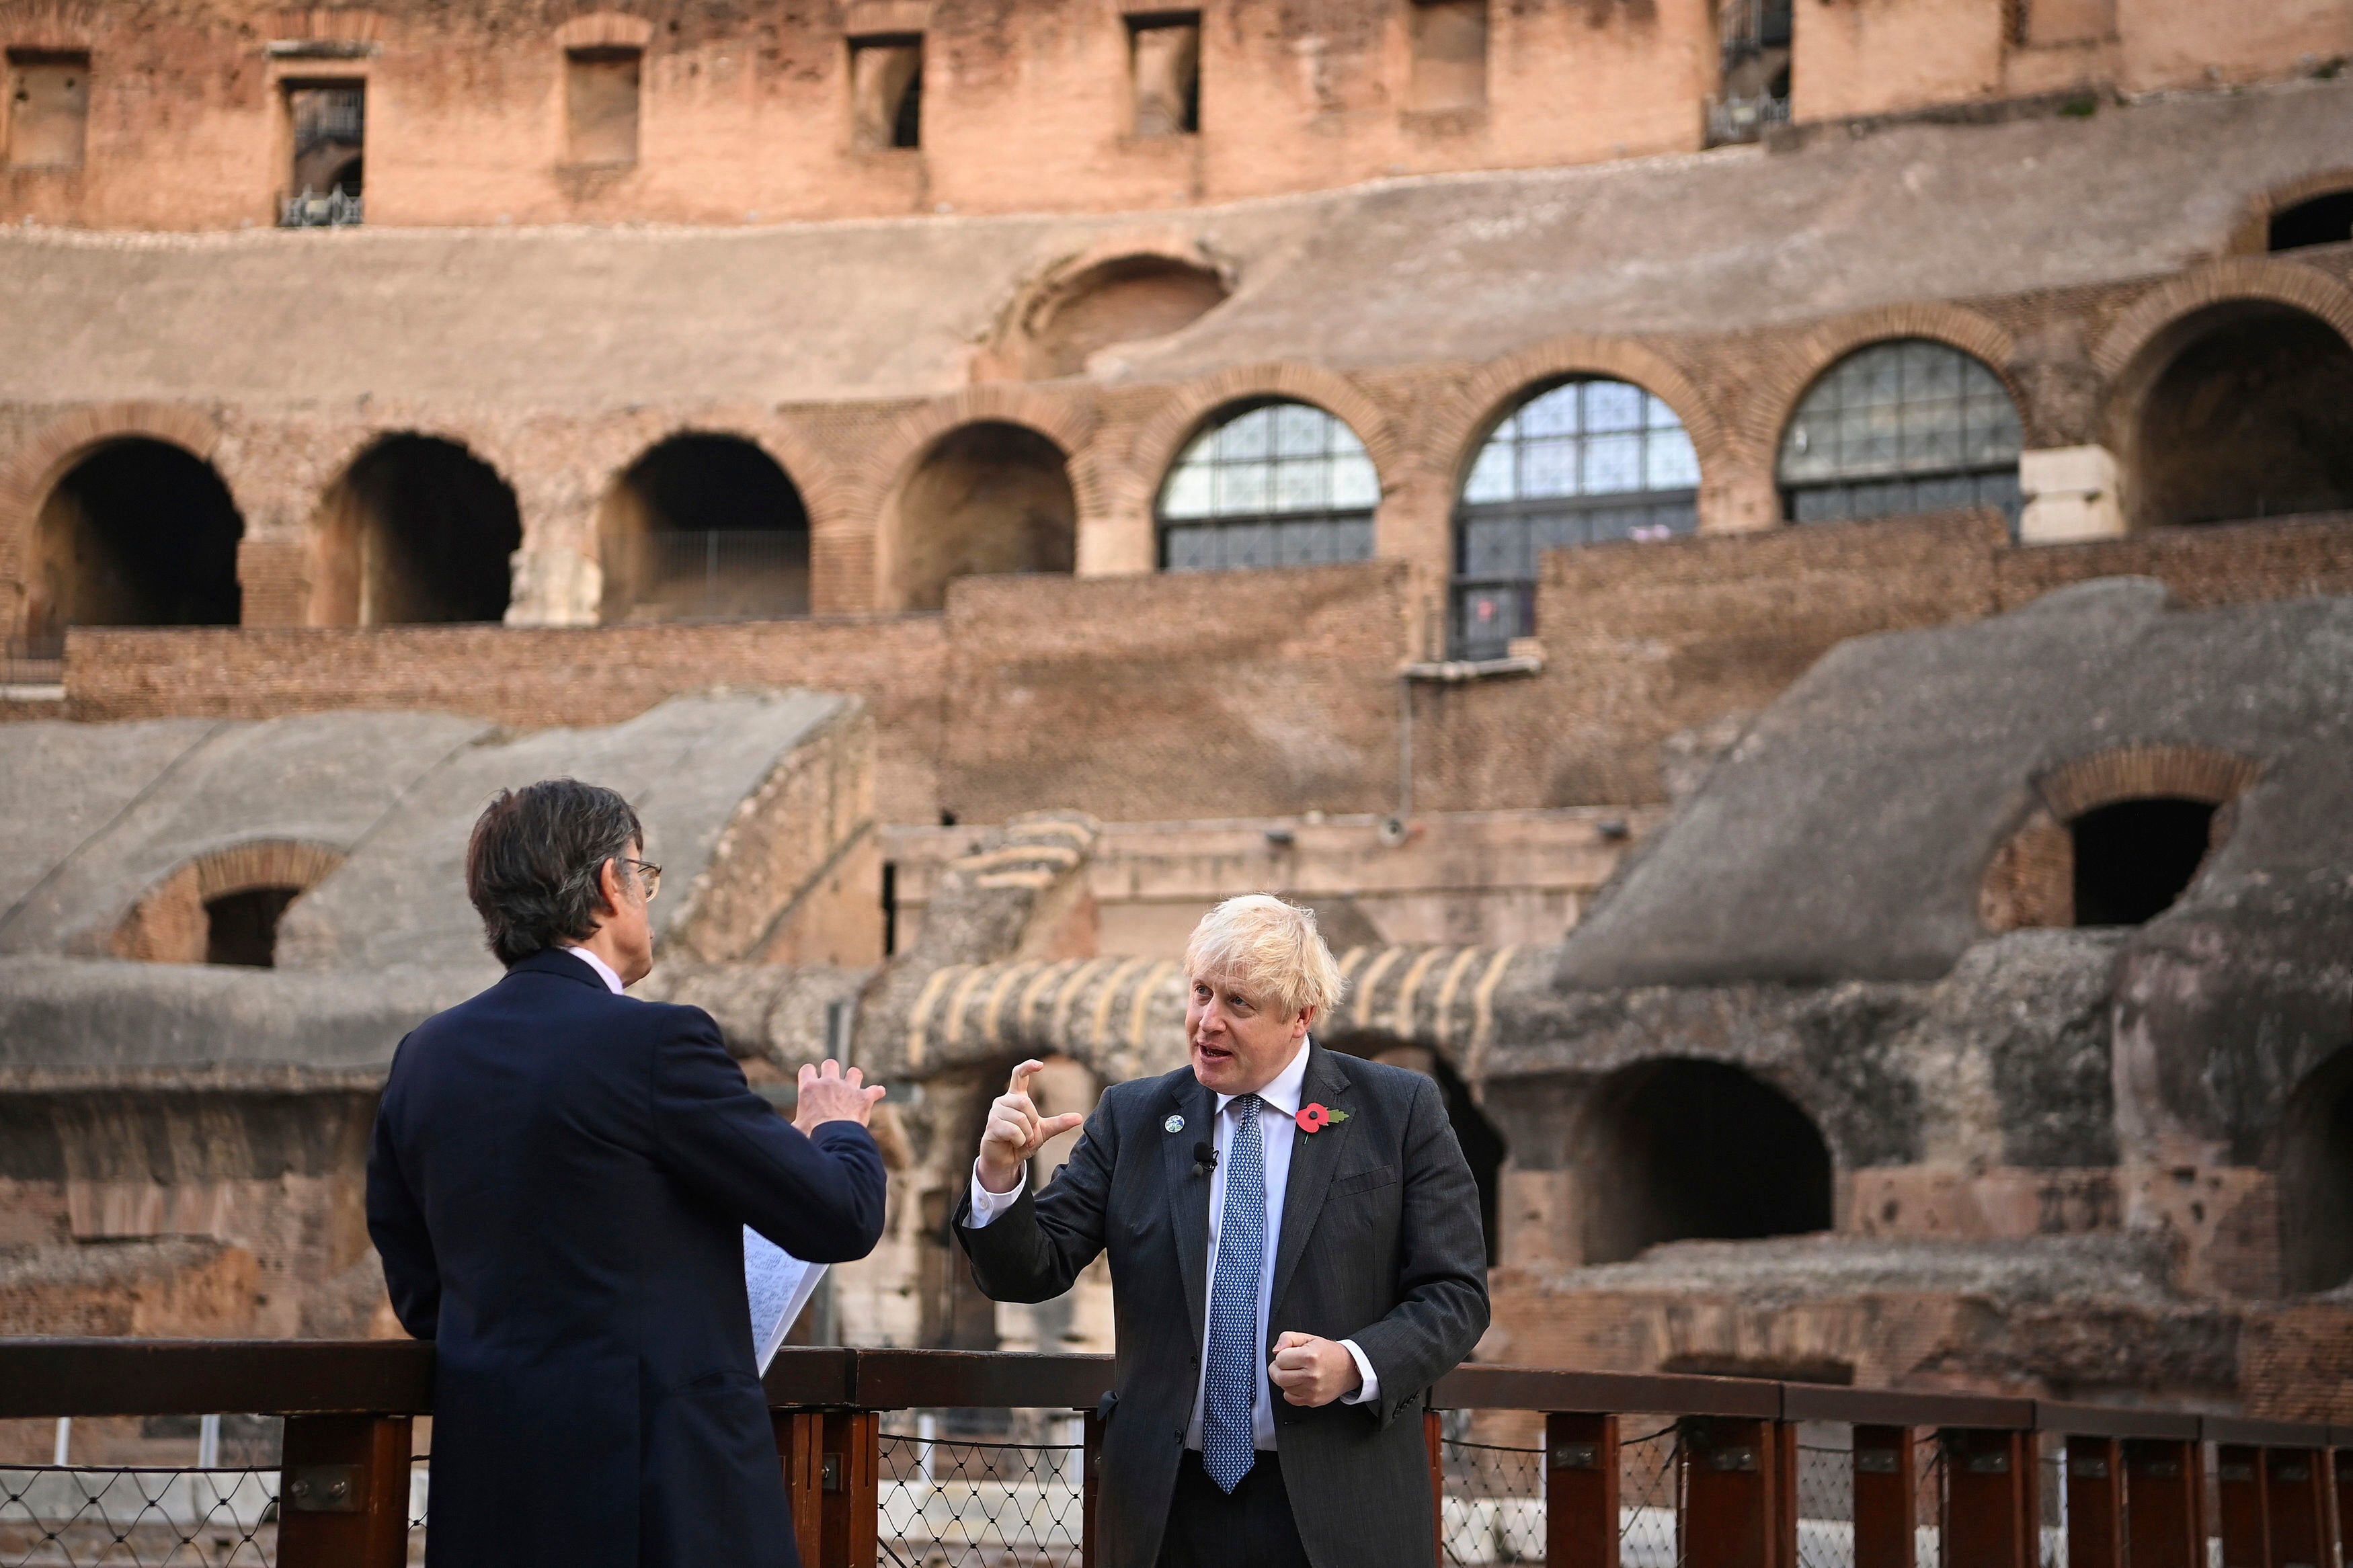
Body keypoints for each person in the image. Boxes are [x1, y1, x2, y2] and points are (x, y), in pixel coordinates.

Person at [367, 779, 889, 1568]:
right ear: (611, 882)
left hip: (494, 1492)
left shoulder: (426, 1055)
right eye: (642, 876)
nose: (644, 896)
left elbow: (420, 1295)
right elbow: (842, 1214)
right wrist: (838, 1128)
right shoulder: (656, 1043)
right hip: (661, 1500)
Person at [956, 895, 1490, 1568]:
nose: (1205, 1021)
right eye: (1200, 991)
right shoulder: (1134, 1115)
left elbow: (1455, 1294)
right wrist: (999, 1174)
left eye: (1236, 1003)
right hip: (1164, 1507)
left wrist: (1353, 1363)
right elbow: (1028, 1269)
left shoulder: (1397, 1110)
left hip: (1337, 1507)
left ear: (1300, 1016)